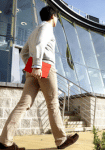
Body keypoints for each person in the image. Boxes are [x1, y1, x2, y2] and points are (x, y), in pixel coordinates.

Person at [0, 6, 79, 150]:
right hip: (45, 68)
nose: (56, 20)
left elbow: (24, 52)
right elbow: (39, 44)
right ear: (53, 16)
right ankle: (61, 140)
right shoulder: (47, 28)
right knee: (53, 103)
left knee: (23, 104)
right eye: (56, 17)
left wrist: (31, 66)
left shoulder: (34, 31)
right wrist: (37, 65)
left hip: (33, 70)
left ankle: (5, 141)